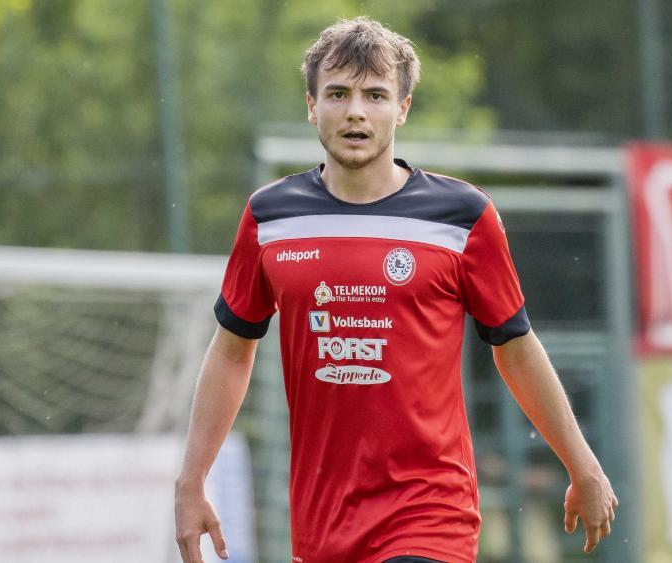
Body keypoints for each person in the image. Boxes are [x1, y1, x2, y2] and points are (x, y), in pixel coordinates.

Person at [175, 16, 618, 563]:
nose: (355, 111)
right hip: (322, 528)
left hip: (430, 515)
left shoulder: (462, 218)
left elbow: (516, 348)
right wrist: (192, 480)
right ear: (312, 105)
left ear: (402, 108)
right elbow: (231, 350)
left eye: (375, 95)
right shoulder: (271, 218)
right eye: (338, 94)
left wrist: (581, 463)